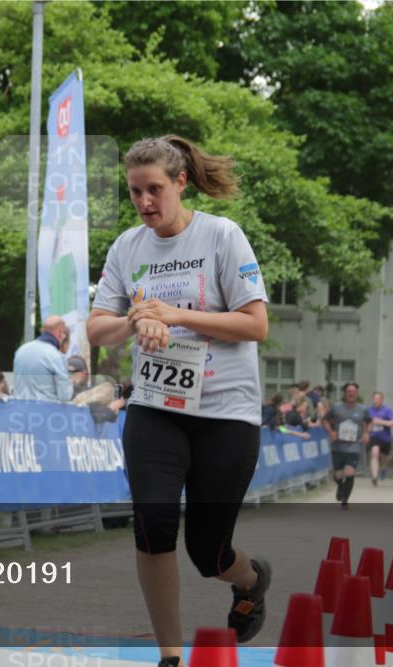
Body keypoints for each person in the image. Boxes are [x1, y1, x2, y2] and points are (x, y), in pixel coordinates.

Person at [87, 134, 272, 662]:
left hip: (225, 413)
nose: (144, 203)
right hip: (155, 408)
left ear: (181, 182)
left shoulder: (221, 236)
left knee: (207, 551)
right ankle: (170, 655)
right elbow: (97, 331)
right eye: (134, 192)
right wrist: (134, 318)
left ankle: (250, 578)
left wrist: (176, 315)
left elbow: (256, 324)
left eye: (154, 190)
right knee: (154, 525)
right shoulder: (127, 247)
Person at [322, 382, 370, 509]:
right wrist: (331, 432)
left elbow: (369, 421)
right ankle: (340, 486)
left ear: (357, 393)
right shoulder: (336, 408)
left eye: (354, 391)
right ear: (345, 393)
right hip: (338, 445)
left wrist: (366, 433)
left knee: (349, 472)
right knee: (338, 475)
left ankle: (345, 500)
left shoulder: (362, 409)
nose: (351, 393)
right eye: (349, 391)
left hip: (354, 446)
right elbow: (325, 420)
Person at [12, 315, 72, 402]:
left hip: (19, 411)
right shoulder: (57, 356)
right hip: (46, 413)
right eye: (64, 334)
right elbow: (65, 396)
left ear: (42, 330)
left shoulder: (21, 350)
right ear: (59, 333)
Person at [68, 355, 126, 423]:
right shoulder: (63, 391)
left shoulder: (89, 392)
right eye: (65, 372)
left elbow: (102, 416)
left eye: (71, 372)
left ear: (83, 373)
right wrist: (113, 406)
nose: (68, 375)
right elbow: (98, 416)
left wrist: (115, 406)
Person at [366, 391, 393, 486]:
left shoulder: (387, 410)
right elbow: (365, 424)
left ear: (382, 400)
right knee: (375, 453)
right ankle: (374, 476)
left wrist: (380, 422)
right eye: (375, 399)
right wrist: (368, 429)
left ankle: (383, 468)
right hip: (374, 436)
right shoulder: (368, 410)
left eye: (378, 399)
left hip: (385, 438)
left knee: (384, 458)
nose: (376, 401)